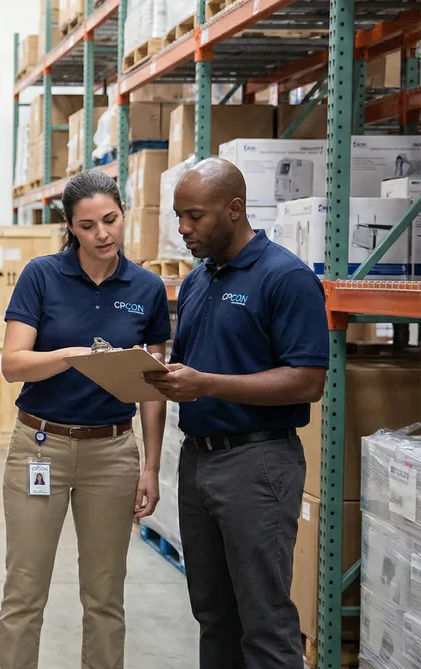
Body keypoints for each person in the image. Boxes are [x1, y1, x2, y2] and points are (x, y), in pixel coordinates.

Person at [143, 158, 327, 669]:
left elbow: (308, 381)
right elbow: (203, 363)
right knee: (213, 614)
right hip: (199, 462)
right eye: (179, 216)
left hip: (257, 462)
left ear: (235, 208)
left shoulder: (285, 277)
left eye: (194, 216)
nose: (183, 229)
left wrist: (206, 385)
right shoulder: (201, 279)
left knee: (263, 619)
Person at [0, 170, 171, 669]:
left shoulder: (148, 287)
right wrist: (71, 355)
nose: (103, 234)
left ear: (122, 213)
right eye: (88, 225)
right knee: (24, 591)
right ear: (71, 227)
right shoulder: (41, 276)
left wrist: (151, 466)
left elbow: (153, 387)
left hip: (113, 453)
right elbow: (12, 364)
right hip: (41, 446)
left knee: (105, 595)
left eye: (110, 220)